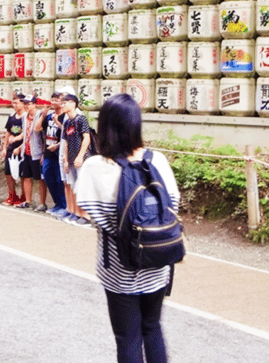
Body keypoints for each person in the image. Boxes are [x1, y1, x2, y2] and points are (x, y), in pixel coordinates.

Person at [75, 94, 179, 363]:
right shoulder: (158, 161)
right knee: (152, 327)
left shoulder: (95, 167)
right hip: (157, 263)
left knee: (127, 336)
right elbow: (173, 206)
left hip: (119, 269)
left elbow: (88, 211)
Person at [60, 93, 93, 225]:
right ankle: (77, 213)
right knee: (74, 187)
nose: (63, 105)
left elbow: (87, 138)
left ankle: (86, 216)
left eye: (65, 102)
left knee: (83, 187)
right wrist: (66, 160)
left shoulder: (81, 119)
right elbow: (66, 143)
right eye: (62, 103)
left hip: (82, 158)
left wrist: (80, 156)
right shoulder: (67, 123)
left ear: (73, 104)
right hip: (72, 160)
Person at [35, 91, 68, 218]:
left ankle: (64, 205)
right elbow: (37, 129)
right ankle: (57, 204)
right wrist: (43, 115)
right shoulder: (49, 116)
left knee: (60, 180)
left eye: (57, 100)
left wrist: (58, 145)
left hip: (59, 152)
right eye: (52, 99)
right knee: (48, 178)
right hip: (48, 152)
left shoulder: (64, 117)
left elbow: (67, 135)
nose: (53, 102)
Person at [16, 95, 47, 211]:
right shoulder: (25, 117)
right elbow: (25, 133)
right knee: (26, 176)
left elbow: (43, 136)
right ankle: (28, 201)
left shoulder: (40, 115)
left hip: (37, 151)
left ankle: (42, 203)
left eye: (29, 103)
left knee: (40, 179)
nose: (27, 106)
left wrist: (43, 153)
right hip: (26, 150)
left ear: (35, 104)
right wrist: (21, 147)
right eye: (25, 103)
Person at [2, 94, 25, 206]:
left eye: (16, 102)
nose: (14, 105)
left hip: (22, 149)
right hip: (11, 149)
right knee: (8, 172)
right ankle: (12, 194)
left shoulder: (26, 117)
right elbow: (8, 132)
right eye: (13, 102)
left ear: (23, 103)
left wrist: (20, 147)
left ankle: (23, 196)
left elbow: (28, 134)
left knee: (23, 174)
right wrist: (4, 148)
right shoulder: (11, 117)